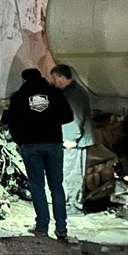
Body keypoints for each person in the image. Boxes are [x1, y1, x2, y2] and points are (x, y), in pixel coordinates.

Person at [1, 68, 75, 240]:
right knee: (56, 186)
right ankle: (61, 229)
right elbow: (68, 117)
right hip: (53, 144)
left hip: (31, 146)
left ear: (24, 79)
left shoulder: (19, 96)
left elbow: (11, 122)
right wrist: (50, 119)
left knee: (37, 186)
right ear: (41, 77)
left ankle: (42, 226)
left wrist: (21, 140)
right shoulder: (54, 93)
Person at [50, 65, 94, 213]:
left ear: (62, 78)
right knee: (69, 173)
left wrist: (71, 139)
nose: (54, 82)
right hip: (74, 140)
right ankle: (71, 203)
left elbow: (75, 118)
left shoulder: (74, 95)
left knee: (71, 174)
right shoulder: (73, 91)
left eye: (55, 78)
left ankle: (73, 206)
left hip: (74, 142)